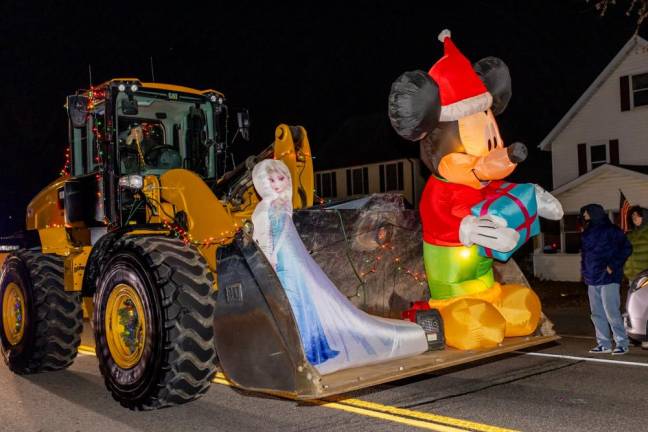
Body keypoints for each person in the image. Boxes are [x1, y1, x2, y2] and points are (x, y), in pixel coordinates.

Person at [251, 159, 428, 374]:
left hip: (293, 261)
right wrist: (269, 259)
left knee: (304, 303)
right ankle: (302, 348)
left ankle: (314, 348)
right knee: (294, 303)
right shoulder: (265, 209)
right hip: (283, 261)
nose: (278, 184)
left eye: (281, 178)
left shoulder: (282, 206)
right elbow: (263, 237)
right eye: (272, 180)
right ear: (262, 183)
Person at [580, 204, 632, 355]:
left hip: (608, 277)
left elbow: (626, 248)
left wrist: (613, 265)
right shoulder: (587, 232)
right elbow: (586, 256)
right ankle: (604, 344)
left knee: (611, 312)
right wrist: (584, 272)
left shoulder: (612, 230)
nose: (584, 215)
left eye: (586, 212)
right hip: (592, 278)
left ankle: (622, 343)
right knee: (596, 313)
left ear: (594, 213)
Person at [623, 205, 648, 349]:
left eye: (637, 216)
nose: (635, 219)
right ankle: (635, 336)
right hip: (633, 277)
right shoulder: (631, 234)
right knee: (633, 307)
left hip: (645, 276)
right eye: (632, 217)